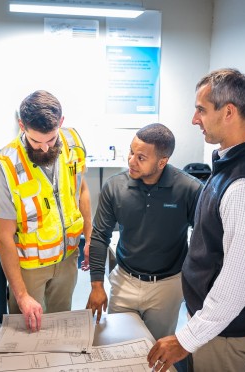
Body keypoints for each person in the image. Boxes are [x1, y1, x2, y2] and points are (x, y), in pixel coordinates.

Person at [147, 68, 245, 372]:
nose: (194, 119)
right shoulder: (230, 163)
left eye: (201, 110)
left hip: (224, 333)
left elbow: (237, 284)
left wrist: (186, 339)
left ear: (229, 112)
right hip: (211, 325)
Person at [86, 123, 203, 341]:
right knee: (117, 346)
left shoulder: (190, 189)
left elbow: (205, 240)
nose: (131, 161)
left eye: (141, 158)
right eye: (131, 151)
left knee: (156, 350)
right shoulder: (114, 187)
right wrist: (96, 285)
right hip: (125, 280)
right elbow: (100, 236)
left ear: (162, 162)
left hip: (167, 286)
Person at [0, 90, 92, 332]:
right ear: (21, 125)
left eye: (51, 140)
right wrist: (21, 295)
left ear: (61, 123)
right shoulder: (6, 165)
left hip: (68, 259)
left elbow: (82, 188)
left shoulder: (73, 143)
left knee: (59, 326)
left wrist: (89, 232)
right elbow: (4, 237)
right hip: (29, 267)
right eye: (36, 142)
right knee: (28, 330)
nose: (45, 149)